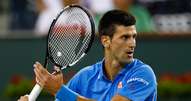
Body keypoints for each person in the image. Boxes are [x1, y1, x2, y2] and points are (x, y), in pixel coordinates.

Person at [18, 9, 157, 101]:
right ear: (106, 41)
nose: (132, 43)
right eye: (125, 37)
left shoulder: (143, 74)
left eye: (134, 37)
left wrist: (60, 90)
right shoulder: (83, 78)